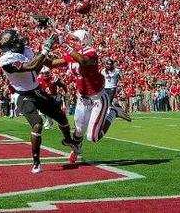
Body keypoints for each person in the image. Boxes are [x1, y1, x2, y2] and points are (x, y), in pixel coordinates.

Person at [0, 29, 78, 174]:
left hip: (37, 90)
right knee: (37, 124)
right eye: (17, 39)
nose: (21, 39)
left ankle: (68, 140)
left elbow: (50, 63)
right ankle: (36, 162)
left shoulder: (26, 50)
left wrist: (72, 58)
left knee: (61, 116)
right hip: (23, 94)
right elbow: (32, 66)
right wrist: (45, 49)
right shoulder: (5, 60)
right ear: (12, 44)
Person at [48, 29, 131, 165]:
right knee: (78, 130)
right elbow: (52, 64)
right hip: (82, 98)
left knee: (93, 137)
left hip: (97, 99)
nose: (72, 42)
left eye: (75, 39)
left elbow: (83, 61)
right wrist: (42, 53)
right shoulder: (73, 54)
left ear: (84, 40)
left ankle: (113, 112)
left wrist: (64, 45)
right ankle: (76, 149)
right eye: (72, 39)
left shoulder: (91, 52)